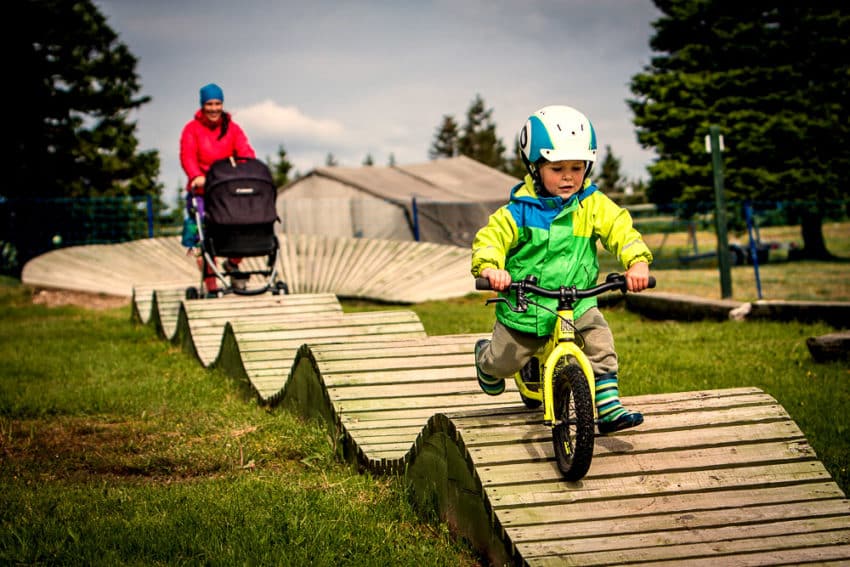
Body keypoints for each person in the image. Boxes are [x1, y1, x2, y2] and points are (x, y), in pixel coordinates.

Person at [471, 104, 653, 435]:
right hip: (526, 307)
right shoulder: (518, 211)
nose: (568, 176)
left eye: (577, 167)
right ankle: (484, 359)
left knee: (598, 341)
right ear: (535, 167)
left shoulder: (592, 204)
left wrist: (636, 261)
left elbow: (620, 229)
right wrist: (491, 268)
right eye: (557, 168)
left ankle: (609, 405)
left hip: (577, 302)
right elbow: (490, 239)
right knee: (504, 362)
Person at [180, 82, 256, 294]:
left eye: (217, 104)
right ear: (202, 105)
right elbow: (187, 156)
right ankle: (211, 286)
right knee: (202, 236)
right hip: (203, 192)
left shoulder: (232, 129)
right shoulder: (191, 130)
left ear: (222, 104)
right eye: (209, 104)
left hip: (227, 190)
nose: (214, 108)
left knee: (247, 222)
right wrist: (196, 176)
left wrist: (247, 169)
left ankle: (232, 262)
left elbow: (245, 152)